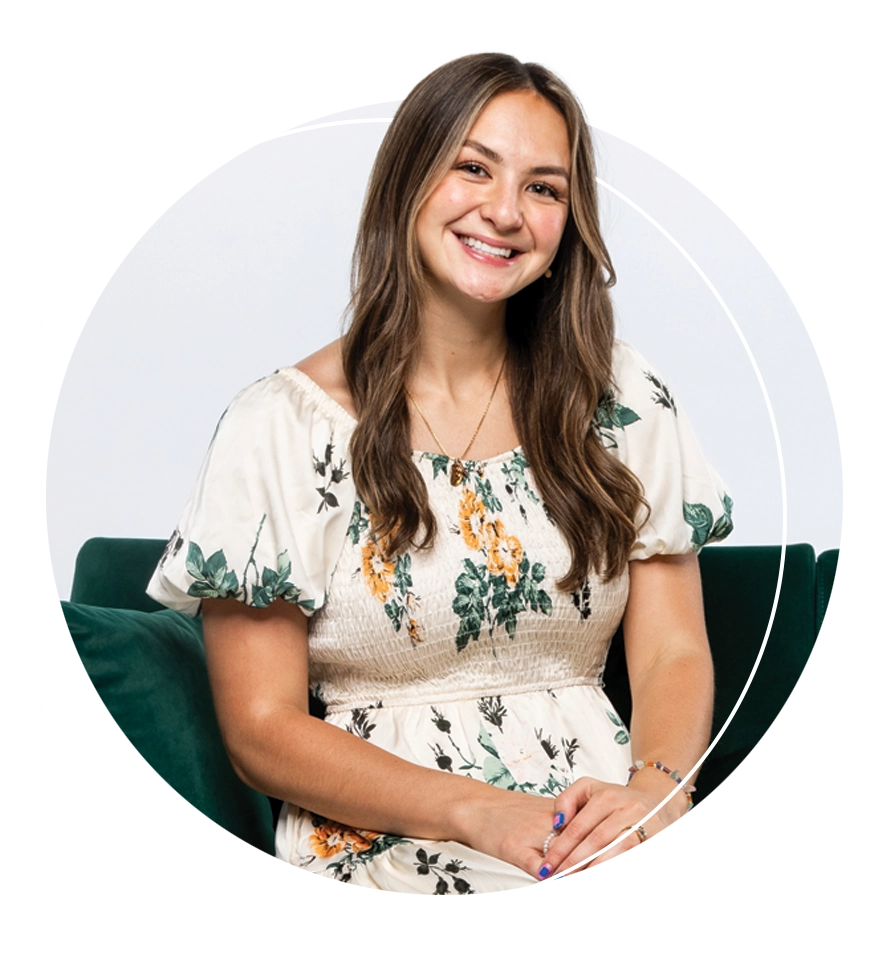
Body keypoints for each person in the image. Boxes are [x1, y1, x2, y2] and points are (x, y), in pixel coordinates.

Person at [147, 51, 734, 895]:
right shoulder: (279, 427)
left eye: (544, 187)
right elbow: (261, 728)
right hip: (393, 841)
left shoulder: (622, 399)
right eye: (473, 168)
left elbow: (675, 649)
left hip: (605, 831)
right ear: (408, 181)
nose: (506, 212)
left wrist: (658, 796)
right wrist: (479, 813)